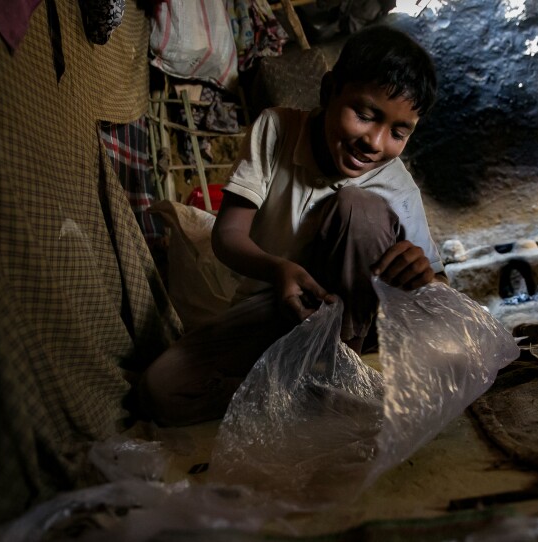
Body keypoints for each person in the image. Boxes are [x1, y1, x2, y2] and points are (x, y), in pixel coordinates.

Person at [138, 25, 445, 426]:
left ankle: (340, 369)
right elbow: (228, 235)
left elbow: (439, 289)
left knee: (358, 207)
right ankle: (299, 390)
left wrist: (422, 277)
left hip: (356, 324)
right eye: (365, 115)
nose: (375, 141)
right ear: (328, 91)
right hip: (276, 311)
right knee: (159, 391)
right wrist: (277, 269)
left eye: (398, 132)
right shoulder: (276, 130)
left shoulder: (395, 182)